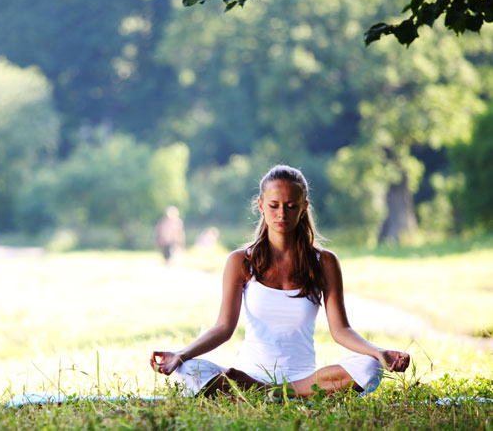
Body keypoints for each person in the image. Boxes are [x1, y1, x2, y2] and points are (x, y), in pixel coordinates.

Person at [149, 165, 410, 398]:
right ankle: (271, 392)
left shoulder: (325, 262)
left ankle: (276, 394)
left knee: (369, 367)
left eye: (291, 205)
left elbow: (341, 330)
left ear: (304, 206)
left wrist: (378, 352)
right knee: (190, 370)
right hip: (248, 376)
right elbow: (223, 327)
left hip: (306, 380)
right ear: (261, 205)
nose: (281, 214)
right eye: (273, 206)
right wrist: (182, 354)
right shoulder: (240, 261)